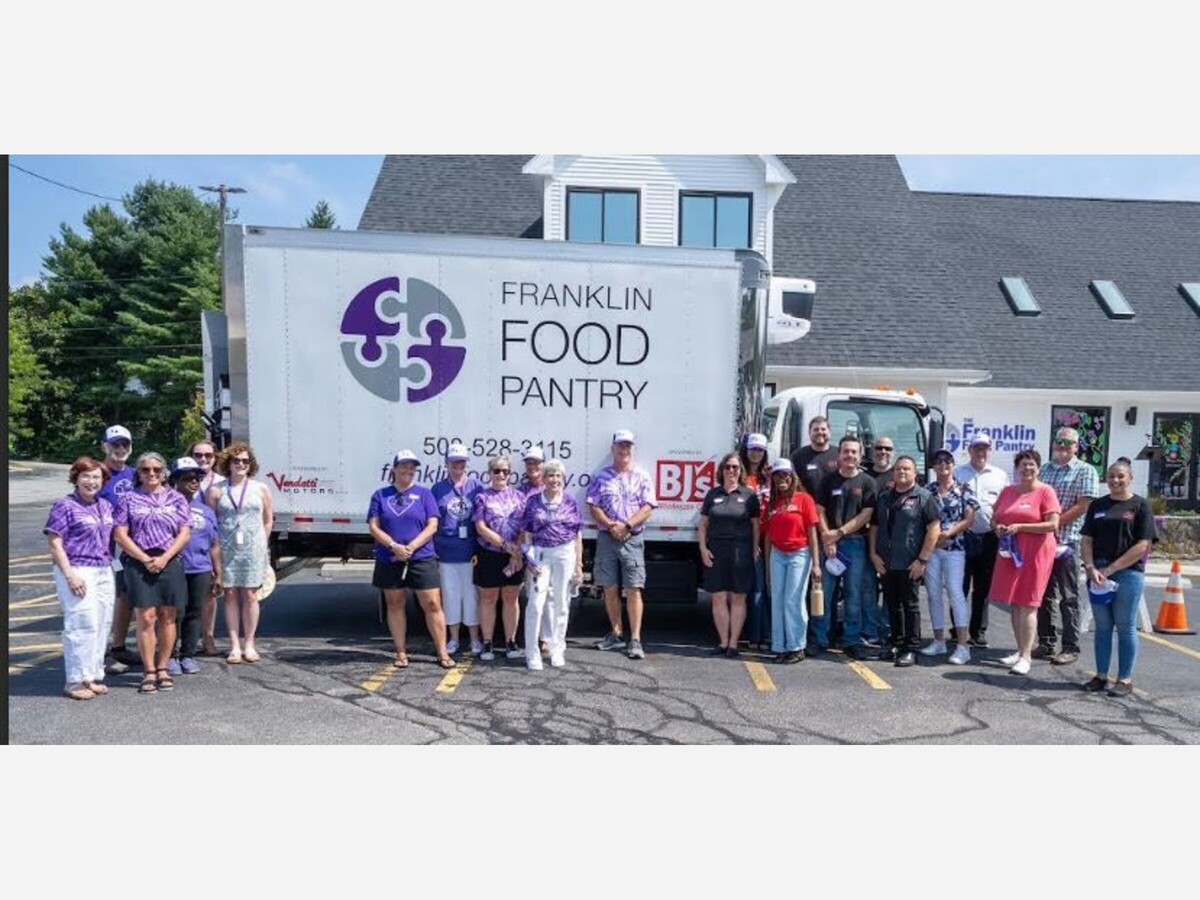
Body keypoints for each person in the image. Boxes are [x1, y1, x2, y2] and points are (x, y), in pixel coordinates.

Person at [113, 452, 191, 694]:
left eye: (157, 469)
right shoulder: (127, 498)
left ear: (164, 472)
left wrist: (165, 558)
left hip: (169, 560)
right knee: (146, 617)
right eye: (146, 469)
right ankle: (148, 671)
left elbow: (184, 532)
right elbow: (120, 535)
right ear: (138, 473)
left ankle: (163, 667)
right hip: (139, 561)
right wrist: (144, 558)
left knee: (168, 616)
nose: (152, 473)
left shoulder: (176, 498)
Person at [367, 449, 453, 669]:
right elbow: (374, 527)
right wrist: (394, 546)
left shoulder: (425, 494)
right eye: (403, 466)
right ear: (394, 469)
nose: (408, 470)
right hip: (390, 557)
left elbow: (432, 525)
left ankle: (442, 652)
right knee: (395, 604)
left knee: (432, 604)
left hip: (421, 557)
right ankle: (401, 652)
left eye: (412, 467)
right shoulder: (380, 495)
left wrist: (411, 547)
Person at [1080, 461, 1158, 696]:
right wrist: (1091, 567)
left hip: (1128, 574)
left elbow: (1143, 545)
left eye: (1120, 476)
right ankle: (1101, 676)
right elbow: (1087, 540)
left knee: (1125, 626)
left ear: (1130, 478)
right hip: (1098, 574)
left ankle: (1124, 679)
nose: (1115, 480)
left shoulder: (1140, 505)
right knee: (1103, 626)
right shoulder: (1097, 505)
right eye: (1111, 476)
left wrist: (1111, 569)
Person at [44, 457, 117, 700]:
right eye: (86, 476)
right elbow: (55, 544)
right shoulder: (64, 505)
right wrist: (70, 575)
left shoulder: (105, 505)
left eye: (97, 477)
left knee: (102, 623)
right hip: (77, 568)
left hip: (103, 569)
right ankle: (74, 680)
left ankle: (91, 675)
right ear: (75, 478)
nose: (91, 481)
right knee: (81, 624)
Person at [988, 449, 1061, 675]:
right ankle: (1020, 651)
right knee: (1015, 603)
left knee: (1029, 603)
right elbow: (994, 519)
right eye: (1023, 465)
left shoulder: (1046, 491)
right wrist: (998, 529)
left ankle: (1026, 657)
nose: (1027, 468)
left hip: (1036, 553)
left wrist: (1021, 527)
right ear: (1017, 468)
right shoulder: (1008, 491)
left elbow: (1053, 525)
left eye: (1031, 465)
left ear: (1038, 468)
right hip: (1011, 553)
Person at [588, 429, 658, 660]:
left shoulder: (642, 476)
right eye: (620, 445)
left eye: (628, 445)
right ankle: (616, 634)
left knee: (634, 588)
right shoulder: (601, 476)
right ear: (613, 448)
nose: (624, 449)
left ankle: (635, 640)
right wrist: (611, 525)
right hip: (607, 537)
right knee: (609, 587)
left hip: (632, 538)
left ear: (632, 449)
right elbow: (593, 506)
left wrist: (626, 525)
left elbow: (648, 507)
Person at [1035, 426, 1101, 665]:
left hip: (1068, 541)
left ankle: (1070, 647)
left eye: (1068, 443)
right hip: (1044, 542)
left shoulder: (1086, 470)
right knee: (1044, 595)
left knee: (1069, 596)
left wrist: (1054, 523)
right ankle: (1046, 642)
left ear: (1076, 447)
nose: (1062, 447)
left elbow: (1083, 506)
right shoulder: (1044, 469)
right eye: (1059, 442)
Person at [869, 456, 941, 666]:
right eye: (898, 469)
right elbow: (874, 527)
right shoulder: (884, 497)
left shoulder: (924, 497)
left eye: (907, 469)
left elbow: (934, 529)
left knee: (910, 606)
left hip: (910, 563)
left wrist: (922, 560)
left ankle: (910, 648)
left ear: (915, 473)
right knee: (892, 605)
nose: (902, 472)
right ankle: (896, 643)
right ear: (892, 473)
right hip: (886, 562)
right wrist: (873, 555)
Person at [208, 442, 273, 665]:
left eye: (246, 461)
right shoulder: (216, 491)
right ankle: (235, 645)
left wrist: (262, 542)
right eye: (236, 460)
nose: (241, 464)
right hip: (226, 548)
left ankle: (249, 644)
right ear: (228, 463)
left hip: (253, 549)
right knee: (230, 594)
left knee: (251, 595)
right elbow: (211, 523)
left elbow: (268, 519)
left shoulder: (260, 489)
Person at [814, 435, 879, 658]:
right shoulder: (827, 481)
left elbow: (866, 515)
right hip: (829, 544)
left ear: (860, 455)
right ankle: (820, 638)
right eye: (845, 451)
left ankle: (851, 640)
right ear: (839, 454)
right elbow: (819, 510)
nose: (849, 455)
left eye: (854, 452)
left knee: (853, 595)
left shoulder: (868, 482)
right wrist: (827, 536)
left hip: (855, 544)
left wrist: (839, 533)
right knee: (824, 594)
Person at [517, 458, 584, 670]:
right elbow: (525, 534)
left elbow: (577, 535)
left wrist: (578, 565)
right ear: (543, 479)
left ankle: (557, 649)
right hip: (541, 554)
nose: (555, 479)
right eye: (550, 475)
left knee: (561, 603)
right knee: (536, 604)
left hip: (564, 553)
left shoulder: (570, 501)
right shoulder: (533, 502)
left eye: (558, 476)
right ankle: (532, 653)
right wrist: (529, 559)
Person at [698, 451, 762, 657]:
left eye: (735, 467)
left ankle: (733, 644)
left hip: (740, 552)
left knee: (737, 597)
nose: (731, 470)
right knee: (718, 597)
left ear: (740, 470)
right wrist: (703, 549)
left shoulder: (749, 495)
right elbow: (703, 525)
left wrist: (754, 549)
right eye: (728, 467)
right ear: (722, 470)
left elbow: (756, 526)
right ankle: (723, 642)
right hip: (716, 551)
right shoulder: (712, 494)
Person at [920, 449, 977, 665]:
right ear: (934, 467)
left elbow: (969, 519)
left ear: (953, 465)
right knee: (933, 594)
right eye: (938, 462)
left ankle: (963, 646)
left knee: (955, 593)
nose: (943, 465)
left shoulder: (963, 489)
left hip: (955, 549)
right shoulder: (927, 490)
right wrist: (934, 538)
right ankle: (938, 641)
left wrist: (947, 534)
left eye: (947, 462)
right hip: (932, 550)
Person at [168, 456, 222, 676]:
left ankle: (187, 655)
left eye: (197, 478)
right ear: (175, 481)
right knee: (174, 612)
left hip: (200, 568)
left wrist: (218, 572)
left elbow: (214, 543)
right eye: (188, 478)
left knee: (194, 612)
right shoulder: (167, 507)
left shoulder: (206, 510)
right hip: (175, 567)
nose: (193, 482)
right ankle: (170, 655)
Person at [955, 433, 1010, 647]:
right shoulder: (958, 473)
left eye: (984, 448)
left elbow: (1006, 506)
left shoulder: (1000, 475)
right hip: (962, 537)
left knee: (983, 588)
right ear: (969, 450)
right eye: (977, 448)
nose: (981, 452)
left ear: (990, 451)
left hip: (989, 537)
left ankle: (978, 631)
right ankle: (958, 628)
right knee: (959, 587)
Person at [762, 459, 820, 663]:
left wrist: (816, 565)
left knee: (792, 600)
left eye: (785, 474)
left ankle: (796, 647)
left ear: (792, 476)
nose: (781, 478)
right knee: (777, 600)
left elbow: (812, 533)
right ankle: (779, 647)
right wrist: (768, 568)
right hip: (777, 554)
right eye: (777, 475)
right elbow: (768, 536)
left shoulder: (804, 499)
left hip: (799, 554)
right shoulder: (772, 502)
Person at [472, 455, 527, 661]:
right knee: (488, 598)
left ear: (510, 474)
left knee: (511, 598)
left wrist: (516, 552)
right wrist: (505, 545)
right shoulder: (482, 497)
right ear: (489, 474)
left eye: (505, 471)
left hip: (514, 555)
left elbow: (524, 527)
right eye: (496, 471)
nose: (501, 474)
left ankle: (510, 641)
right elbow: (481, 527)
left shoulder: (520, 497)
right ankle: (487, 642)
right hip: (489, 553)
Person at [432, 443, 482, 657]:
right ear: (446, 464)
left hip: (471, 550)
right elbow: (433, 520)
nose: (458, 466)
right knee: (450, 595)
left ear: (467, 464)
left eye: (462, 462)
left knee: (471, 596)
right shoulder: (438, 489)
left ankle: (474, 638)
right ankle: (453, 639)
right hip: (446, 551)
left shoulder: (476, 487)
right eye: (454, 462)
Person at [98, 424, 139, 674]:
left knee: (125, 597)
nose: (120, 448)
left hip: (131, 548)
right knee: (106, 599)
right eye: (115, 444)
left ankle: (118, 647)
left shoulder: (135, 474)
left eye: (125, 444)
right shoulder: (96, 474)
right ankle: (101, 652)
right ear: (105, 446)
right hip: (104, 549)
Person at [188, 438, 225, 656]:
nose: (203, 459)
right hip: (189, 544)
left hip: (213, 542)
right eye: (198, 455)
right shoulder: (182, 479)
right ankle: (185, 641)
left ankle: (208, 638)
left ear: (215, 458)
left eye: (208, 455)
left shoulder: (222, 482)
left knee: (210, 593)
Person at [861, 435, 896, 646]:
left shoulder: (898, 475)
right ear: (872, 451)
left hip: (891, 543)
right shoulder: (864, 476)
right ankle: (870, 630)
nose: (883, 452)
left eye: (888, 448)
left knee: (890, 591)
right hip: (865, 541)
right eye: (879, 448)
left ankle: (887, 631)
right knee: (868, 589)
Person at [519, 445, 553, 655]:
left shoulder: (551, 489)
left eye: (537, 462)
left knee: (549, 595)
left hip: (550, 547)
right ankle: (532, 636)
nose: (532, 466)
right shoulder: (520, 492)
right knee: (533, 594)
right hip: (530, 549)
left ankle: (546, 637)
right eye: (529, 462)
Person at [739, 432, 772, 650]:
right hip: (744, 539)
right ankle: (751, 634)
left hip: (766, 540)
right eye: (753, 449)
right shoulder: (739, 476)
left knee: (763, 588)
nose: (756, 454)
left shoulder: (768, 477)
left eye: (760, 450)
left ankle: (762, 635)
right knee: (747, 589)